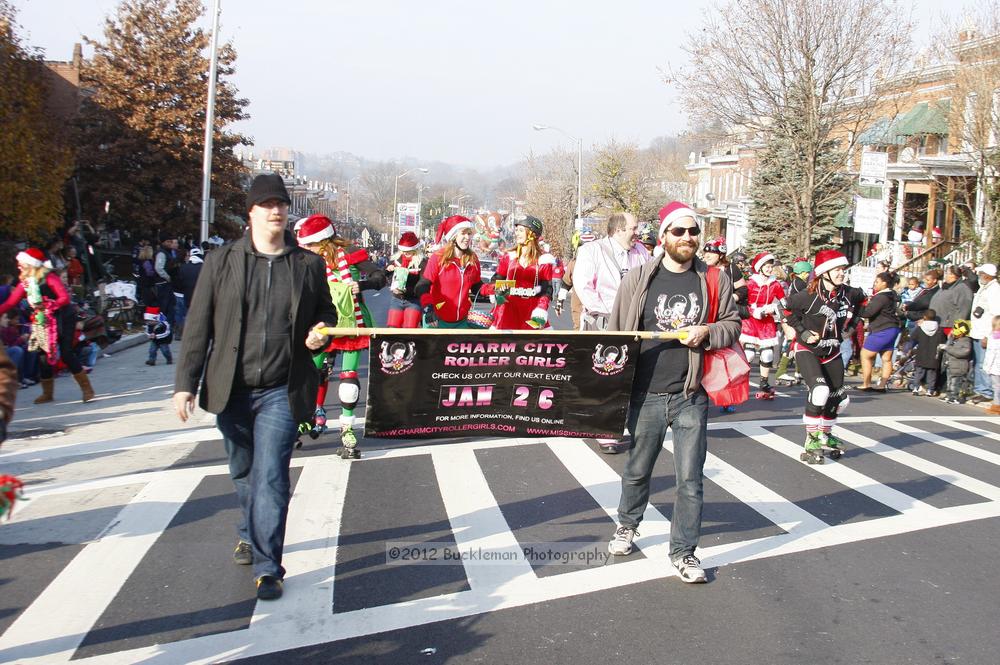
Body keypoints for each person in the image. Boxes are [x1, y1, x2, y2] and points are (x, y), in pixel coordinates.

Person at [173, 173, 337, 601]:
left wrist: (321, 332)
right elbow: (198, 327)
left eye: (280, 204)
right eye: (266, 205)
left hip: (282, 388)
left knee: (270, 476)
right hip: (233, 387)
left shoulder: (307, 264)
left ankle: (269, 567)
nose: (276, 211)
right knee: (243, 471)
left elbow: (324, 313)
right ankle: (248, 530)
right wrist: (185, 384)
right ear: (251, 212)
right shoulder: (222, 262)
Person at [605, 201, 741, 584]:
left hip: (690, 394)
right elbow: (615, 333)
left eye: (693, 231)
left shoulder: (714, 279)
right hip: (645, 393)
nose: (687, 238)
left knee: (690, 479)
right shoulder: (638, 279)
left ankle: (684, 553)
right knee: (637, 470)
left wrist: (708, 332)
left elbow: (732, 324)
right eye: (678, 231)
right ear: (662, 237)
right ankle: (628, 524)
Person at [295, 214, 385, 457]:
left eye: (311, 244)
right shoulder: (307, 260)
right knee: (312, 372)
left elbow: (380, 277)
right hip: (320, 323)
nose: (307, 249)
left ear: (323, 241)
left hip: (350, 322)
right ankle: (306, 417)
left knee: (348, 376)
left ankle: (347, 429)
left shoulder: (351, 254)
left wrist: (361, 285)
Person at [784, 249, 854, 464]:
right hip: (808, 349)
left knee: (839, 398)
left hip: (832, 350)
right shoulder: (808, 295)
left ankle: (825, 433)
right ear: (824, 273)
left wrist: (852, 325)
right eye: (838, 270)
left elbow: (863, 305)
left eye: (843, 270)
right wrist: (802, 332)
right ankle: (812, 438)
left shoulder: (848, 293)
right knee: (820, 391)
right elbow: (786, 310)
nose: (842, 274)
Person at [0, 248, 95, 403]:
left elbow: (63, 298)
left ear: (31, 264)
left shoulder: (49, 277)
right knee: (43, 355)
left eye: (21, 263)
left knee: (66, 353)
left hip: (63, 317)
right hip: (43, 320)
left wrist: (49, 306)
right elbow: (11, 302)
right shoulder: (25, 282)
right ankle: (47, 393)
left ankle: (87, 389)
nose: (19, 266)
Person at [572, 212, 649, 332]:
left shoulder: (641, 251)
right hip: (602, 323)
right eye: (633, 228)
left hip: (635, 322)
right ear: (618, 230)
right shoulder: (591, 250)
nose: (637, 233)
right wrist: (607, 315)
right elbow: (584, 287)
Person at [415, 216, 483, 328]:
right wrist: (428, 308)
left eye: (469, 233)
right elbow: (422, 286)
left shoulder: (472, 258)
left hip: (462, 322)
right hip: (437, 320)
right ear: (453, 236)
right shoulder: (438, 258)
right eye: (463, 233)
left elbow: (477, 287)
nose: (467, 237)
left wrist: (494, 289)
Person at [489, 215, 554, 330]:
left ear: (532, 234)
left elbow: (546, 290)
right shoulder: (509, 257)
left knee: (531, 345)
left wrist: (541, 309)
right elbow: (496, 280)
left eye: (521, 230)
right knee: (503, 346)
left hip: (531, 312)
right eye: (516, 230)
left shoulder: (544, 260)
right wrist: (498, 292)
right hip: (507, 310)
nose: (517, 233)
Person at [741, 252, 785, 399]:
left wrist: (776, 310)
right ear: (759, 267)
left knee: (767, 353)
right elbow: (742, 303)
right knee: (749, 354)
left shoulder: (775, 284)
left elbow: (784, 302)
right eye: (766, 266)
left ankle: (764, 383)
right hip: (751, 320)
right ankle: (741, 381)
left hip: (766, 321)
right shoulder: (751, 283)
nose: (769, 269)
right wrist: (754, 311)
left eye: (771, 266)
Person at [859, 271, 902, 392]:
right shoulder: (893, 295)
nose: (875, 284)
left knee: (865, 355)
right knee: (886, 358)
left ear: (884, 283)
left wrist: (860, 306)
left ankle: (866, 383)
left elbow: (868, 313)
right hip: (892, 328)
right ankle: (882, 385)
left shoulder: (881, 297)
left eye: (877, 282)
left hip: (882, 328)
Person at [969, 264, 1000, 404]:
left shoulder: (994, 290)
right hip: (977, 330)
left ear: (987, 275)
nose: (979, 276)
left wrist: (989, 335)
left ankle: (986, 390)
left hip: (985, 332)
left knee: (983, 363)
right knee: (977, 362)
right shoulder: (984, 288)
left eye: (981, 273)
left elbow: (996, 314)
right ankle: (979, 388)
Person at [386, 232, 427, 329]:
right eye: (403, 250)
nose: (405, 253)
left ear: (415, 249)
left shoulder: (422, 262)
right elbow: (386, 277)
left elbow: (424, 282)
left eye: (408, 250)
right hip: (397, 299)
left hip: (413, 300)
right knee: (392, 329)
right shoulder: (396, 260)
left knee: (410, 329)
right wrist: (389, 270)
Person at [929, 265, 973, 337]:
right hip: (940, 324)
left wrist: (958, 330)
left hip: (950, 327)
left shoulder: (962, 289)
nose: (945, 275)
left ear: (952, 275)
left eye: (947, 273)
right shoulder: (946, 286)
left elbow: (964, 311)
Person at [909, 309, 944, 396]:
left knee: (919, 371)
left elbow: (913, 338)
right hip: (933, 354)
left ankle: (916, 388)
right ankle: (930, 390)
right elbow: (942, 341)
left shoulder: (921, 327)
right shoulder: (939, 329)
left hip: (921, 353)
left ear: (924, 317)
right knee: (931, 373)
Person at [941, 320, 973, 405]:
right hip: (951, 365)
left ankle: (954, 397)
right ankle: (949, 395)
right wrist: (950, 338)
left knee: (956, 383)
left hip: (959, 366)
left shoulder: (966, 341)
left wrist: (948, 348)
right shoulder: (954, 340)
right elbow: (948, 347)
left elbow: (964, 352)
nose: (954, 334)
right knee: (949, 382)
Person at [153, 233, 179, 325]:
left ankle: (168, 324)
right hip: (162, 283)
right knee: (163, 306)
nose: (170, 243)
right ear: (163, 242)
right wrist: (168, 277)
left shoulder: (167, 252)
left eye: (170, 242)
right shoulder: (161, 253)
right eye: (168, 242)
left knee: (170, 305)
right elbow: (159, 268)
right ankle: (162, 324)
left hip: (166, 284)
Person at [982, 315, 1000, 415]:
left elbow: (991, 354)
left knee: (996, 387)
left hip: (995, 367)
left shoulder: (993, 337)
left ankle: (996, 406)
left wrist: (986, 367)